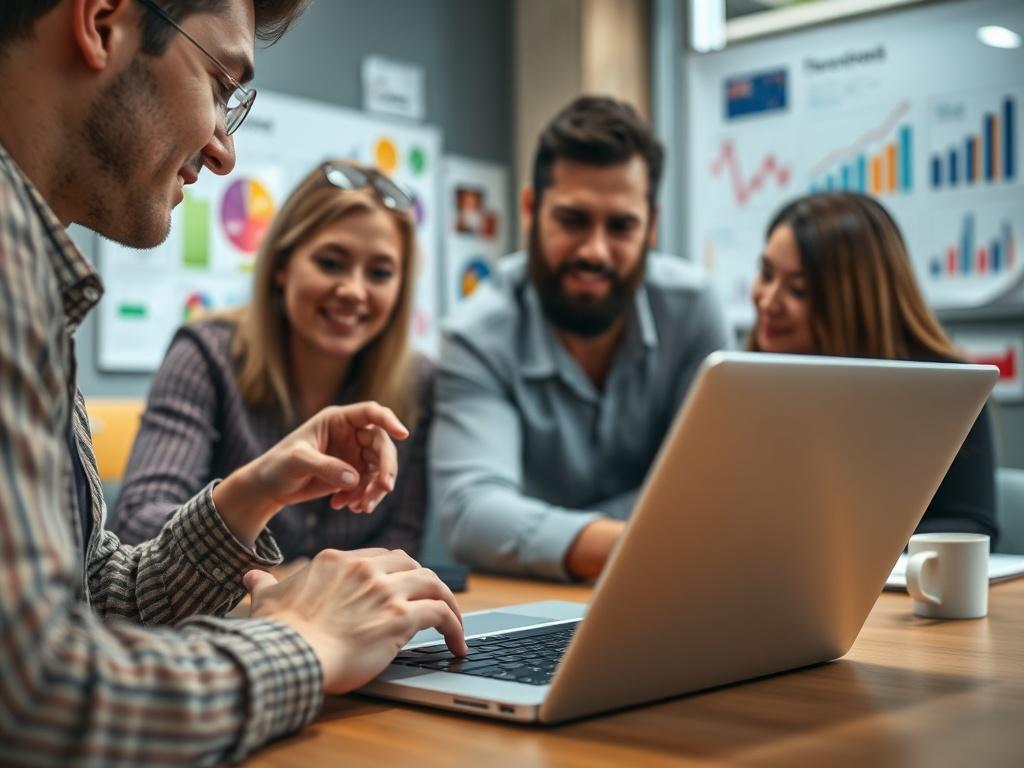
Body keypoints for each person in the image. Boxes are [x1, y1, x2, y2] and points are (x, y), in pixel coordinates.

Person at [0, 1, 466, 764]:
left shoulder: (38, 273)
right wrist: (304, 638)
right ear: (102, 21)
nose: (223, 151)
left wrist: (249, 493)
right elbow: (37, 695)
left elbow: (98, 598)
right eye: (219, 83)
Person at [431, 96, 730, 582]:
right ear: (531, 209)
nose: (594, 251)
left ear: (651, 226)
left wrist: (555, 532)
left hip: (673, 590)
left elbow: (714, 487)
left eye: (621, 226)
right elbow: (472, 514)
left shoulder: (694, 310)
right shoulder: (475, 334)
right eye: (573, 220)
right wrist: (643, 541)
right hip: (536, 608)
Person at [115, 159, 432, 561]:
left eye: (380, 273)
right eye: (330, 263)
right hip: (222, 620)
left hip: (350, 621)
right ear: (282, 266)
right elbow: (139, 525)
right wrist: (278, 582)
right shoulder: (206, 354)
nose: (354, 290)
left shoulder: (419, 381)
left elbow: (401, 543)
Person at [749, 191, 998, 543]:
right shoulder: (741, 385)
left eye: (798, 290)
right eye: (766, 273)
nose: (768, 300)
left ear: (852, 301)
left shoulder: (946, 392)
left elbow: (970, 529)